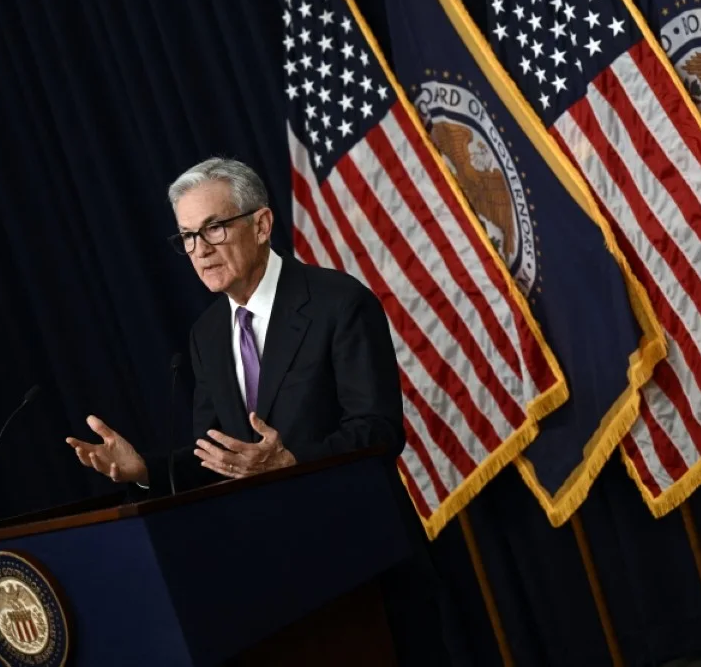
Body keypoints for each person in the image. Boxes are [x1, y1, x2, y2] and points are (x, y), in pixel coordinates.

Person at [65, 157, 458, 666]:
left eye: (214, 228)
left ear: (261, 224)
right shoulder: (207, 334)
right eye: (187, 236)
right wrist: (145, 470)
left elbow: (379, 431)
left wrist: (290, 461)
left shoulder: (338, 302)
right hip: (275, 587)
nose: (200, 250)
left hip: (365, 566)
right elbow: (216, 456)